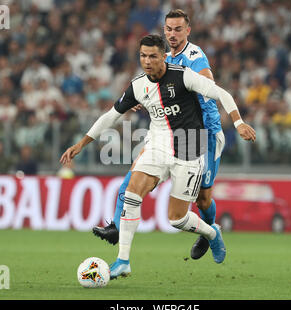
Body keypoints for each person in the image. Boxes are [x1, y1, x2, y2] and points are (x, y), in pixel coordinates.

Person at [60, 35, 256, 279]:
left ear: (164, 56)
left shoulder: (183, 75)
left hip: (189, 146)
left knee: (177, 219)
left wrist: (238, 123)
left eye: (153, 56)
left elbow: (222, 94)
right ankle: (123, 261)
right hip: (158, 144)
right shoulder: (138, 85)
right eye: (143, 56)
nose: (147, 61)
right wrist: (81, 143)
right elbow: (111, 116)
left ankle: (212, 233)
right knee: (132, 193)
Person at [93, 9, 232, 260]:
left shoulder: (194, 55)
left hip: (202, 132)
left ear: (187, 31)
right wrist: (138, 99)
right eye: (168, 29)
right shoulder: (163, 58)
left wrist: (199, 85)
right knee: (135, 174)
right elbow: (150, 86)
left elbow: (208, 82)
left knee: (203, 199)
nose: (172, 34)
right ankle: (116, 225)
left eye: (178, 29)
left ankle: (209, 231)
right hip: (167, 133)